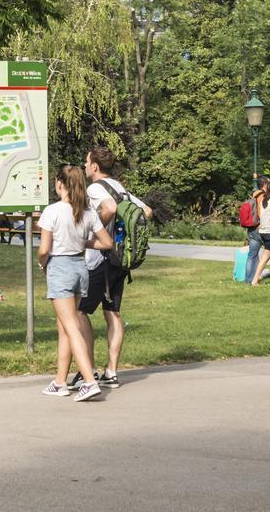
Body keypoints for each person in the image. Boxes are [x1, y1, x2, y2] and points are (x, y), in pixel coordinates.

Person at [76, 146, 153, 390]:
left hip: (101, 258)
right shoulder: (120, 187)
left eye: (87, 162)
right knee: (112, 312)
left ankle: (87, 368)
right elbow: (147, 211)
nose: (85, 166)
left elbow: (108, 208)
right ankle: (112, 371)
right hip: (122, 258)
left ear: (95, 166)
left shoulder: (95, 188)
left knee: (80, 312)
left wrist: (95, 230)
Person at [38, 164, 111, 402]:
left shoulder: (52, 211)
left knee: (70, 326)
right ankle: (60, 381)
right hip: (81, 268)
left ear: (60, 184)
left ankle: (89, 381)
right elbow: (106, 243)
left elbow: (44, 249)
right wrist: (85, 244)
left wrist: (42, 263)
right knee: (65, 327)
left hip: (59, 267)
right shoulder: (87, 212)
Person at [244, 174, 270, 282]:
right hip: (260, 229)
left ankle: (248, 279)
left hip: (252, 229)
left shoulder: (253, 194)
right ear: (265, 184)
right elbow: (261, 212)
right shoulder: (262, 195)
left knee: (252, 256)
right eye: (269, 182)